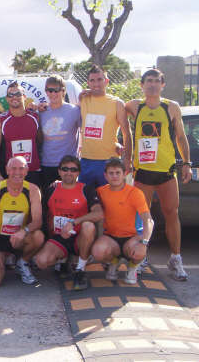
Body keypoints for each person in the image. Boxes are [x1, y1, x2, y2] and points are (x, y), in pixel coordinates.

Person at [125, 68, 193, 281]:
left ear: (162, 85)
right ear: (142, 85)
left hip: (166, 170)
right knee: (143, 217)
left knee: (171, 213)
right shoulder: (134, 106)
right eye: (149, 81)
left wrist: (187, 164)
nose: (152, 84)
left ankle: (175, 258)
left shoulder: (171, 107)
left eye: (156, 81)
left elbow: (181, 137)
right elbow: (114, 112)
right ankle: (142, 257)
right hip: (143, 171)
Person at [33, 156, 103, 290]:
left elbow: (99, 213)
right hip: (59, 237)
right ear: (59, 171)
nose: (69, 172)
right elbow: (42, 215)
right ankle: (64, 260)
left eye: (73, 169)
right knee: (41, 261)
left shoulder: (86, 189)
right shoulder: (51, 189)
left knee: (88, 226)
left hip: (80, 238)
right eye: (65, 169)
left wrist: (74, 222)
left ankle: (80, 270)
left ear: (78, 172)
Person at [91, 158, 154, 285]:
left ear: (124, 174)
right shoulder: (101, 191)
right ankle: (114, 262)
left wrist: (144, 243)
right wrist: (58, 183)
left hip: (132, 238)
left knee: (139, 251)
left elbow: (148, 220)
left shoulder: (135, 193)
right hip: (111, 237)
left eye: (117, 173)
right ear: (105, 175)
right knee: (98, 251)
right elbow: (81, 192)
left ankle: (133, 267)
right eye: (111, 173)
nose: (114, 176)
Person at [0, 156, 44, 286]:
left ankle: (22, 262)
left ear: (26, 171)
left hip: (18, 238)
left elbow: (38, 221)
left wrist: (24, 231)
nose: (17, 172)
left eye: (21, 169)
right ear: (7, 170)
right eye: (13, 168)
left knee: (38, 236)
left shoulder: (33, 190)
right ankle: (2, 256)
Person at [79, 65, 132, 188]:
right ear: (88, 83)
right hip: (86, 161)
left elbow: (127, 133)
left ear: (106, 81)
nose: (96, 84)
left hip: (109, 162)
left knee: (110, 203)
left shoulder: (117, 103)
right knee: (86, 202)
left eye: (99, 79)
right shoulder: (83, 99)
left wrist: (127, 160)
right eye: (92, 80)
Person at [0, 82, 43, 187]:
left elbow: (40, 141)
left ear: (24, 96)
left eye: (18, 94)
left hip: (33, 170)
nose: (14, 97)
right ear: (7, 98)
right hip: (12, 173)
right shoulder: (1, 119)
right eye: (10, 95)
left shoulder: (35, 117)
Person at [39, 76, 81, 191]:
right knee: (48, 202)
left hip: (68, 167)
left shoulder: (75, 111)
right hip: (46, 164)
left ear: (63, 91)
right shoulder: (41, 111)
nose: (52, 93)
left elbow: (88, 131)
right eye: (49, 90)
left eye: (56, 90)